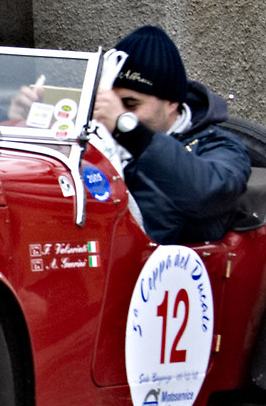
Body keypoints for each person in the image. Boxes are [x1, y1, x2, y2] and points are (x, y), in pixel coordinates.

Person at [91, 25, 252, 246]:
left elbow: (207, 194)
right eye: (108, 104)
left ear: (171, 103)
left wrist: (126, 128)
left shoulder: (219, 146)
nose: (111, 114)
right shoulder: (92, 137)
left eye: (130, 104)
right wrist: (30, 115)